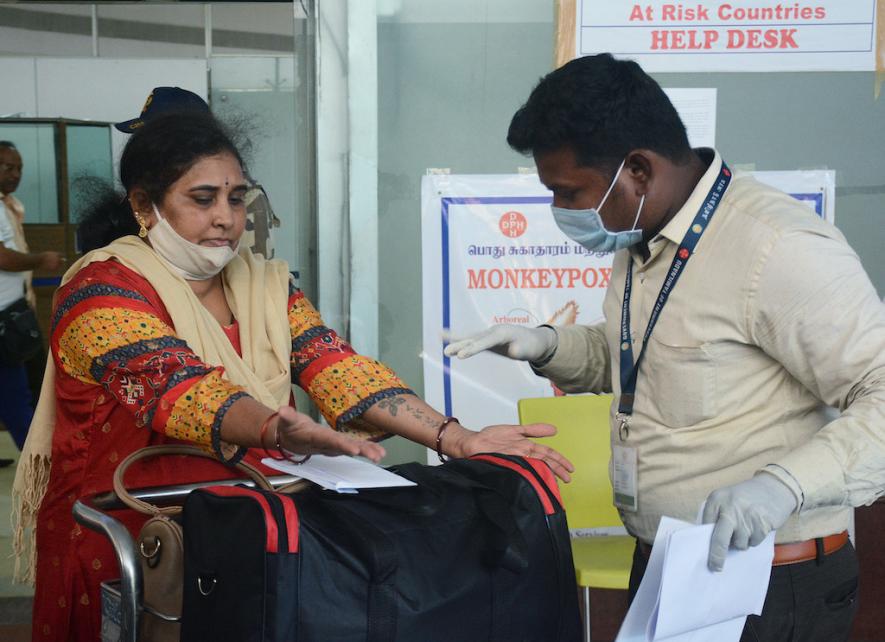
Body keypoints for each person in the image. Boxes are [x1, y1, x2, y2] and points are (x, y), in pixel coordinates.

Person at [11, 110, 572, 641]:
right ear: (144, 204)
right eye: (202, 200)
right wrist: (277, 430)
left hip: (243, 521)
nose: (227, 219)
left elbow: (337, 367)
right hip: (129, 535)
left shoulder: (263, 283)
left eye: (237, 198)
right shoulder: (103, 289)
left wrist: (458, 438)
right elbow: (179, 388)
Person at [445, 53, 885, 641]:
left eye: (569, 192)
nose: (560, 211)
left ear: (638, 170)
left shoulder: (775, 247)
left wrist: (783, 484)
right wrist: (543, 345)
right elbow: (636, 359)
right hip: (669, 566)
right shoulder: (642, 238)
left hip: (769, 582)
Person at [111, 85, 280, 258]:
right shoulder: (142, 195)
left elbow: (251, 269)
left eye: (203, 199)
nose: (226, 218)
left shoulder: (246, 197)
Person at [0, 141, 63, 464]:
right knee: (18, 392)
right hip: (3, 319)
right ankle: (40, 461)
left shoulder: (8, 205)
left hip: (12, 310)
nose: (15, 174)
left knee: (20, 386)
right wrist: (42, 259)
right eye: (8, 167)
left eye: (19, 168)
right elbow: (3, 257)